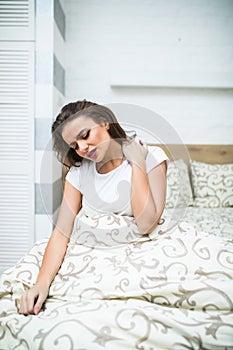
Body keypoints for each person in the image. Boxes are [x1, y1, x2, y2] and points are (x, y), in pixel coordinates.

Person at [18, 100, 168, 315]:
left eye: (85, 135)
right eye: (74, 146)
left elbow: (145, 223)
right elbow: (61, 233)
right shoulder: (79, 173)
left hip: (136, 252)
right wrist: (41, 284)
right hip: (93, 253)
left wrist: (137, 163)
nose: (82, 149)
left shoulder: (151, 157)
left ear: (104, 122)